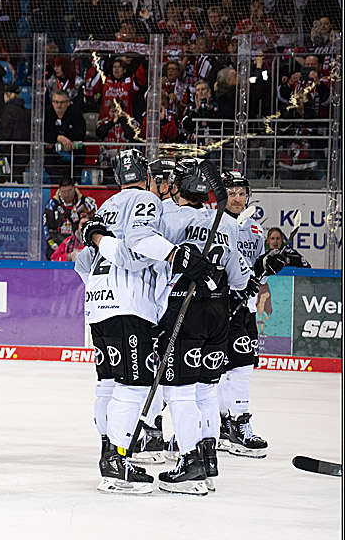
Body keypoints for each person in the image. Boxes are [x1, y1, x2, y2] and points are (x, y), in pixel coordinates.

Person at [76, 150, 205, 495]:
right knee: (133, 386)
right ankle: (116, 463)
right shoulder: (148, 200)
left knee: (111, 383)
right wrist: (176, 256)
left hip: (97, 305)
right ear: (148, 177)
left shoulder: (105, 208)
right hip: (128, 305)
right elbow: (136, 250)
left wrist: (102, 241)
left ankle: (113, 452)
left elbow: (81, 262)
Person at [152, 158, 251, 494]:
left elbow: (149, 260)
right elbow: (239, 277)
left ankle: (191, 460)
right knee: (206, 388)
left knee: (178, 391)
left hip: (185, 307)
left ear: (177, 187)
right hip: (219, 310)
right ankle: (208, 457)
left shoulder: (166, 216)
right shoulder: (225, 222)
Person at [219, 170, 284, 459]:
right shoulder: (212, 224)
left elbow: (257, 269)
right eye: (230, 192)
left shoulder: (256, 231)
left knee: (242, 367)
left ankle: (240, 424)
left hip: (244, 308)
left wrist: (268, 266)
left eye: (241, 193)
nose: (236, 198)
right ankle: (221, 425)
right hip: (216, 306)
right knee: (215, 371)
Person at [45, 176, 97, 257]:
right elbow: (47, 230)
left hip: (79, 247)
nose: (67, 194)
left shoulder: (86, 203)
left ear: (74, 188)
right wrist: (55, 247)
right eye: (64, 192)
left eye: (69, 191)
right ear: (59, 190)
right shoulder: (52, 204)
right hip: (58, 247)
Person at [45, 90, 87, 181]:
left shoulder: (76, 113)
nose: (59, 105)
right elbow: (43, 133)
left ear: (68, 103)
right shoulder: (46, 113)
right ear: (52, 102)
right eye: (56, 102)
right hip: (53, 158)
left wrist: (67, 140)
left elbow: (80, 133)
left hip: (74, 157)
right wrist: (58, 138)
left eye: (62, 102)